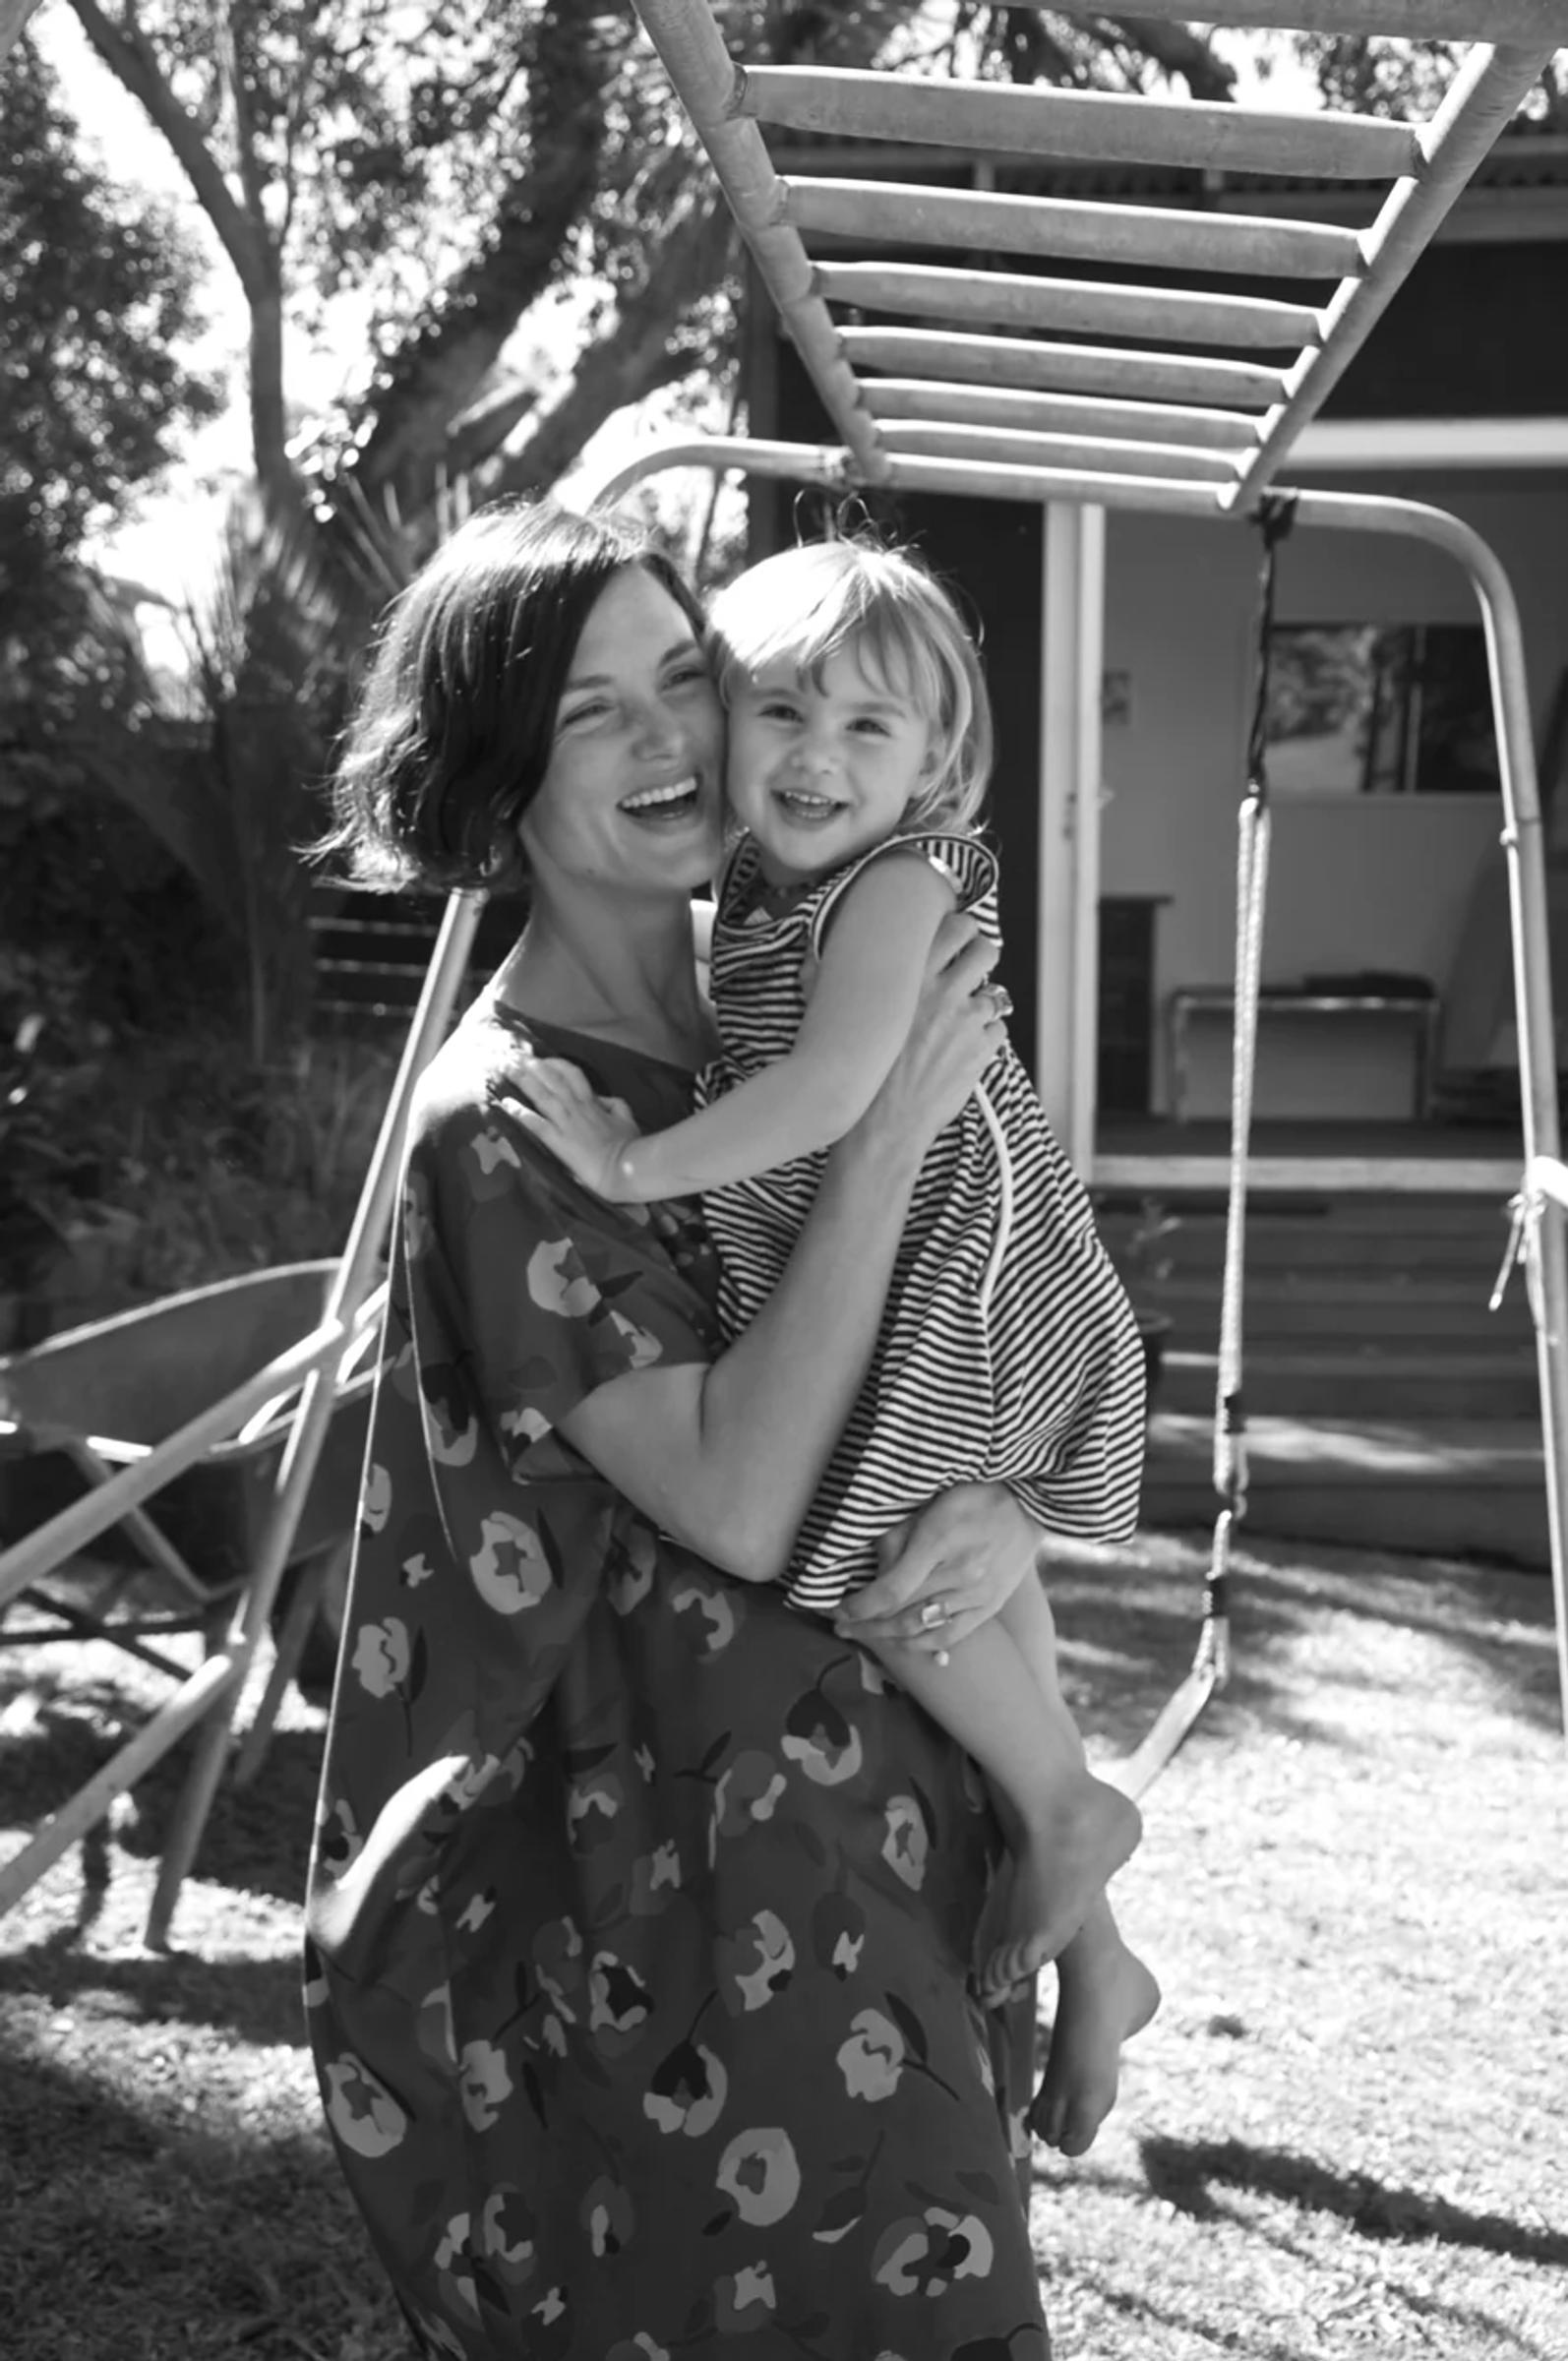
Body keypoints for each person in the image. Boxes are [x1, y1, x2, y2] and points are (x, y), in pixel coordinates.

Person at [303, 498, 1133, 2361]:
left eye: (684, 676)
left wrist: (1003, 1489)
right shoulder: (511, 1125)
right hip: (714, 1888)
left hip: (914, 1815)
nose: (674, 738)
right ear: (498, 776)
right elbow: (754, 1504)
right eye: (593, 713)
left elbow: (949, 1317)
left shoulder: (782, 982)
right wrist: (887, 1141)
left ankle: (1092, 1920)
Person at [516, 535, 1155, 2012]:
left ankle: (1064, 1806)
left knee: (880, 1567)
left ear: (938, 759)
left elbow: (827, 1092)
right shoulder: (749, 889)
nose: (816, 755)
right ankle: (1099, 1941)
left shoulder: (895, 884)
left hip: (965, 1266)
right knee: (960, 1559)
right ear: (727, 724)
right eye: (782, 709)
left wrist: (627, 1169)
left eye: (868, 725)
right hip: (927, 1254)